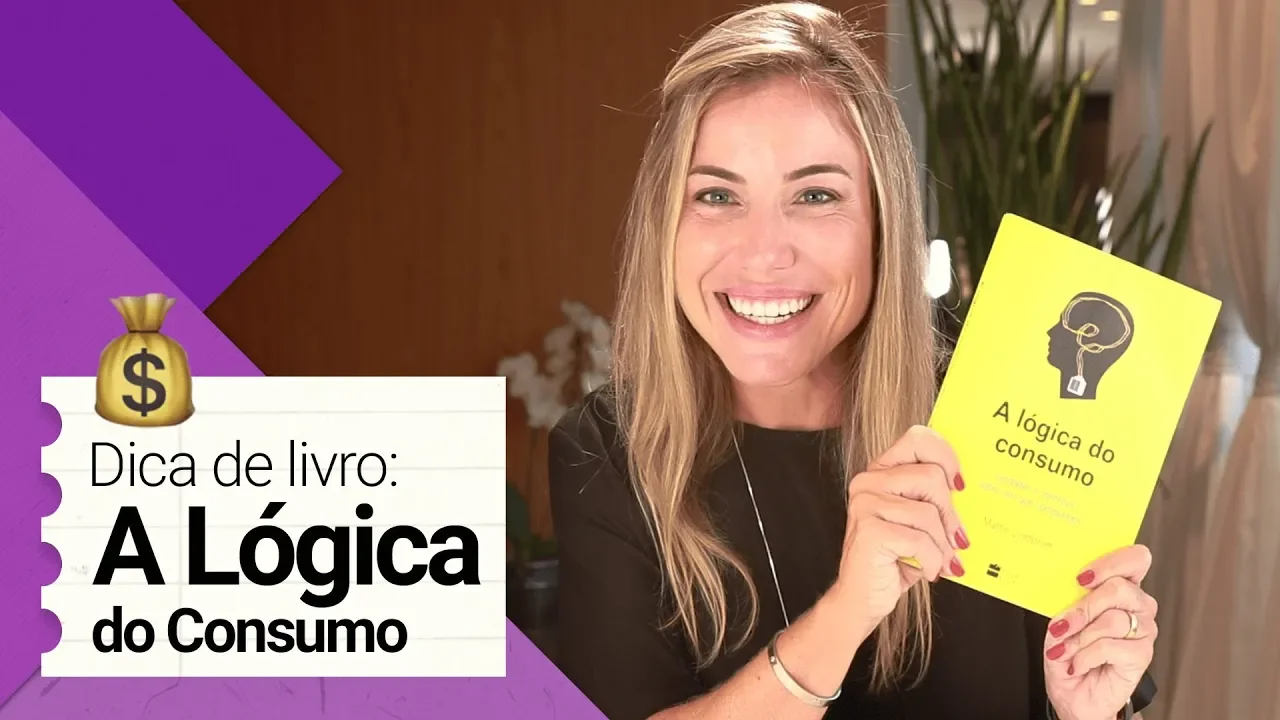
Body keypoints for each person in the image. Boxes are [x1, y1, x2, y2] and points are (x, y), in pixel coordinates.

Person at [547, 3, 1159, 719]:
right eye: (716, 195)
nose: (764, 253)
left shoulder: (1012, 401)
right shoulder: (607, 452)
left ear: (881, 223)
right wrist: (845, 614)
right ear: (665, 227)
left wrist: (1087, 709)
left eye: (815, 195)